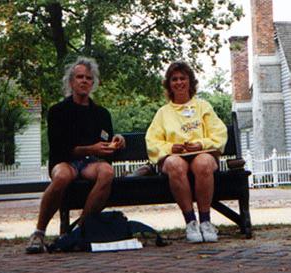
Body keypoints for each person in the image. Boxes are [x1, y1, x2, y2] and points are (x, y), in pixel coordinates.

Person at [26, 57, 125, 254]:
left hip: (91, 163)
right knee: (62, 176)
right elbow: (59, 149)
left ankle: (81, 230)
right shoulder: (57, 111)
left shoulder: (101, 113)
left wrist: (117, 141)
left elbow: (105, 146)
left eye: (88, 78)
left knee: (106, 171)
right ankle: (39, 232)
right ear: (71, 82)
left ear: (93, 83)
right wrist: (91, 149)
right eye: (79, 77)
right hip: (65, 161)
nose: (84, 81)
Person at [145, 61, 227, 243]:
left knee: (203, 163)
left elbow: (219, 133)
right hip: (175, 158)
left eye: (183, 78)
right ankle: (191, 222)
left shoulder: (203, 107)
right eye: (174, 79)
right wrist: (169, 148)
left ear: (190, 82)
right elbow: (152, 141)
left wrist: (201, 144)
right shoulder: (163, 113)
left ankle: (206, 222)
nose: (179, 82)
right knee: (175, 164)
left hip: (202, 154)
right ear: (169, 84)